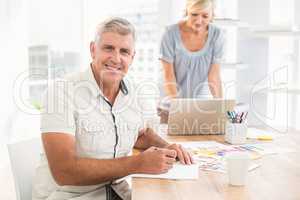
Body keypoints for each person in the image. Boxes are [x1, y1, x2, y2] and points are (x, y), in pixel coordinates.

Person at [32, 17, 193, 200]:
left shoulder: (134, 91)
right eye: (108, 48)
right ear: (93, 50)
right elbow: (64, 171)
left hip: (118, 194)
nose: (116, 58)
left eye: (124, 51)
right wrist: (137, 163)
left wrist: (168, 147)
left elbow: (139, 134)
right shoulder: (61, 91)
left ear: (132, 57)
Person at [159, 0, 224, 103]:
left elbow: (214, 76)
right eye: (194, 14)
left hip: (198, 99)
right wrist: (178, 106)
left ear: (212, 15)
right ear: (187, 11)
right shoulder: (170, 34)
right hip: (170, 98)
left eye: (205, 16)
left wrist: (221, 107)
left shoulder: (217, 35)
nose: (198, 21)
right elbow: (169, 76)